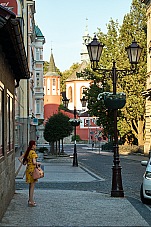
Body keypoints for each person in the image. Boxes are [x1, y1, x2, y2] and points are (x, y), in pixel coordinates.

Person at [18, 140, 40, 207]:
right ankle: (31, 201)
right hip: (33, 170)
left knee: (30, 185)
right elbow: (34, 162)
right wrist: (38, 163)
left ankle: (30, 200)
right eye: (35, 145)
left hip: (28, 169)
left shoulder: (27, 152)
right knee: (32, 186)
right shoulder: (33, 153)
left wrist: (24, 163)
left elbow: (19, 158)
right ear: (33, 145)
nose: (35, 146)